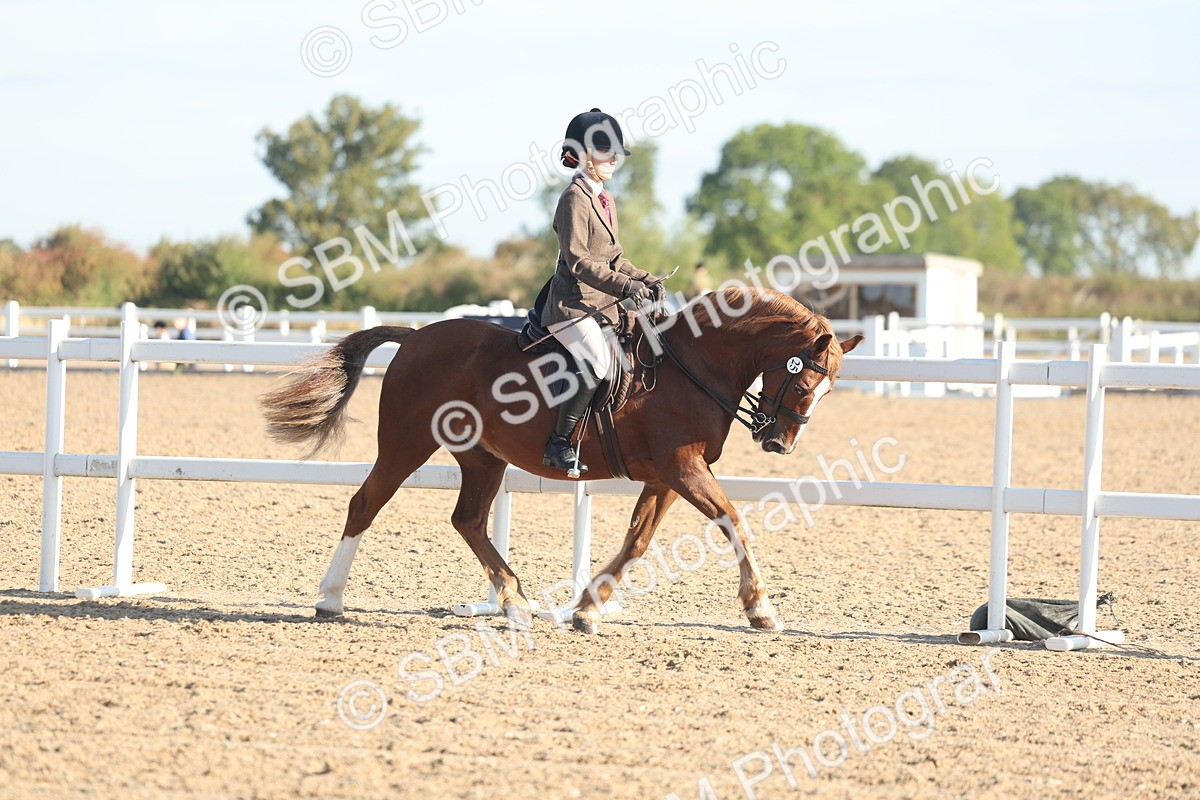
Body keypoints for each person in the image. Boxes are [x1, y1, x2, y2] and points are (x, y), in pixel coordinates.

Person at [540, 108, 657, 475]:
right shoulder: (574, 198)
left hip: (600, 306)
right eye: (605, 152)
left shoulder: (604, 198)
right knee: (597, 363)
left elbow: (614, 256)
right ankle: (558, 444)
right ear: (584, 155)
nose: (613, 159)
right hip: (571, 306)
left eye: (615, 153)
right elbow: (578, 261)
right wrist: (626, 286)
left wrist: (645, 278)